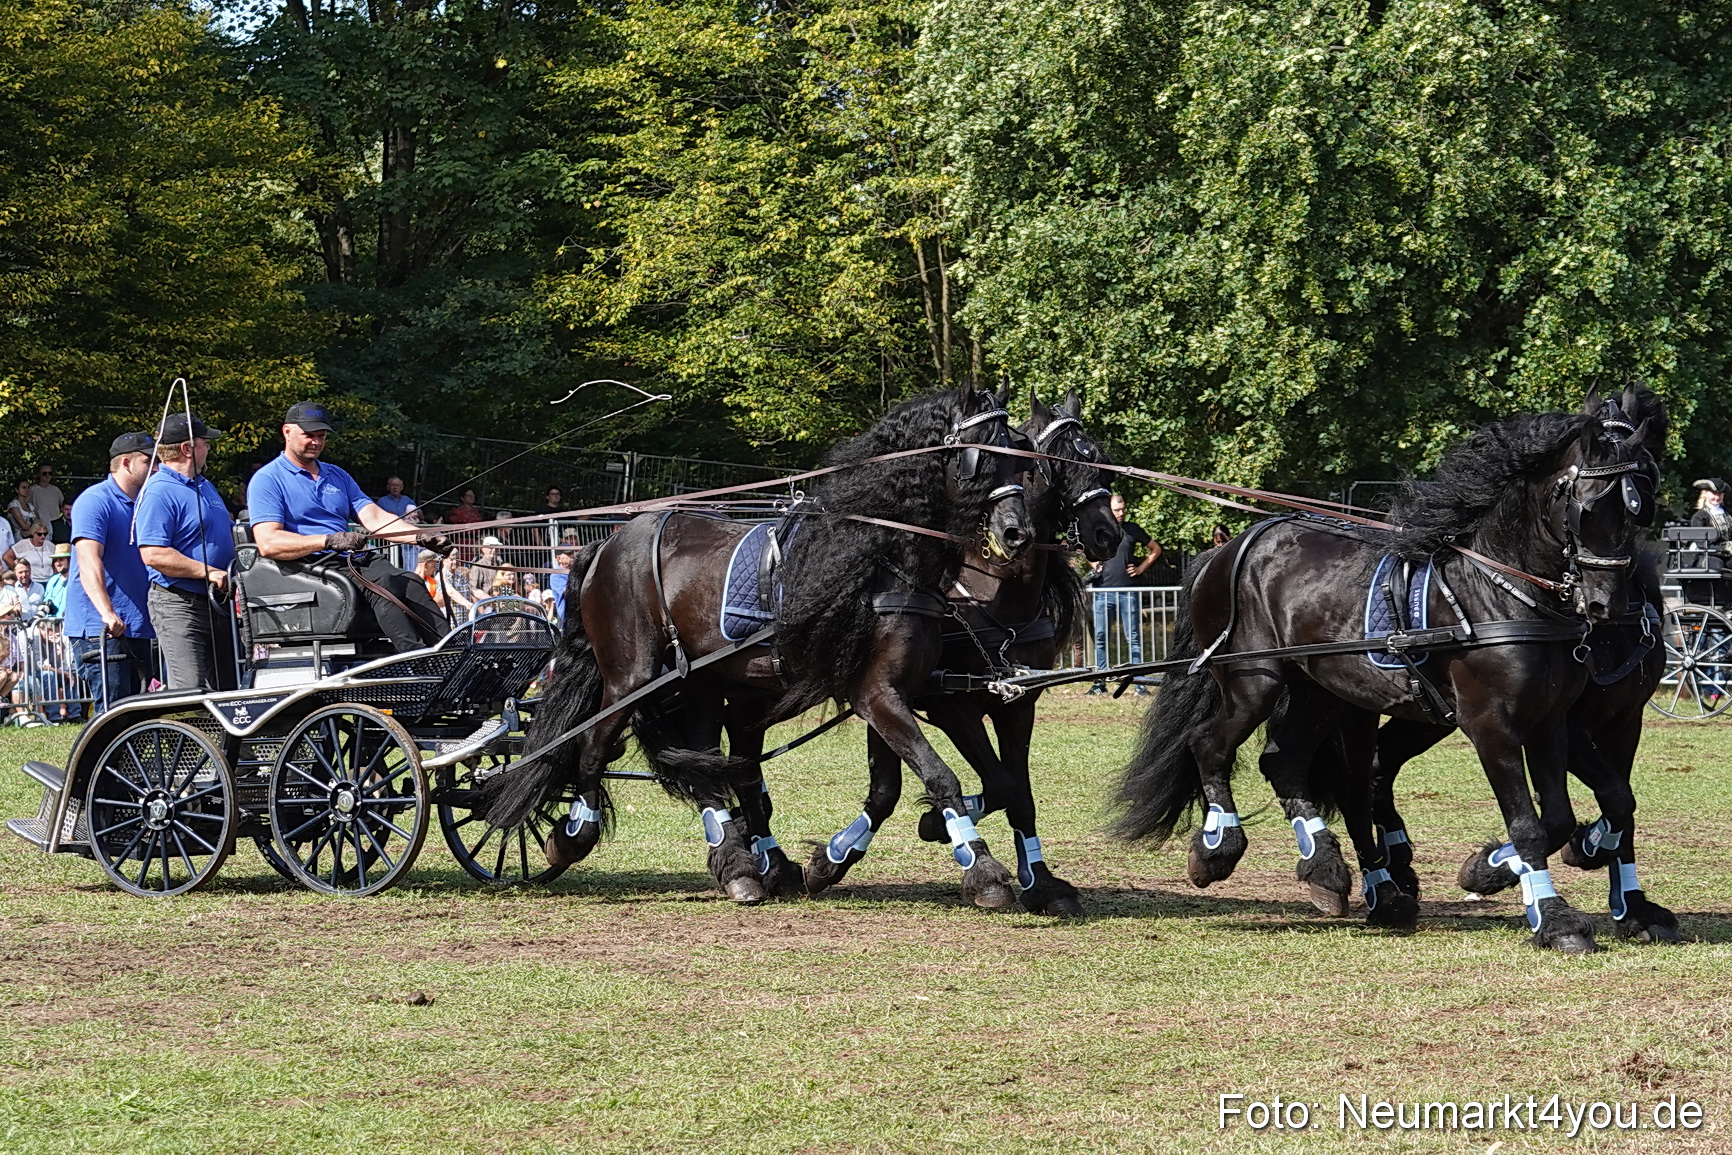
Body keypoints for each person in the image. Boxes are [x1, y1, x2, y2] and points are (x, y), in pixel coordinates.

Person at [247, 401, 451, 653]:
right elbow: (268, 542)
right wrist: (329, 540)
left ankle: (452, 652)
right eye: (309, 436)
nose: (316, 442)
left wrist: (420, 537)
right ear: (286, 432)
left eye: (321, 436)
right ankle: (413, 658)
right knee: (384, 580)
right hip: (313, 564)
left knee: (409, 580)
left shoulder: (337, 475)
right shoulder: (268, 479)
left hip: (352, 559)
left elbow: (375, 517)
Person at [136, 413, 237, 691]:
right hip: (179, 605)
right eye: (205, 443)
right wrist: (209, 571)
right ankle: (182, 734)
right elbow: (154, 553)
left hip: (217, 602)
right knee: (189, 688)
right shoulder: (158, 491)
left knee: (232, 688)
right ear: (187, 449)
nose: (209, 449)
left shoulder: (204, 486)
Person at [67, 432, 158, 711]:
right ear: (127, 463)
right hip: (103, 628)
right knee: (114, 713)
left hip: (138, 625)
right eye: (148, 462)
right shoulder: (95, 501)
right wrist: (106, 612)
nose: (156, 468)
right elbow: (88, 561)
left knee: (139, 714)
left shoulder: (146, 503)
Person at [1088, 494, 1160, 695]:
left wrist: (1140, 568)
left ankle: (1139, 683)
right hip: (1103, 591)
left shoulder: (1132, 529)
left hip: (1128, 591)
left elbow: (1155, 549)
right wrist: (1094, 565)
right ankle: (1099, 682)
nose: (1121, 513)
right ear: (1109, 510)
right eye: (1117, 509)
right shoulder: (1099, 528)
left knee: (1133, 637)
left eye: (1123, 509)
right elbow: (1084, 549)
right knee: (1101, 637)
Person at [3, 559, 46, 624]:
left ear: (30, 571)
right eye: (20, 572)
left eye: (26, 571)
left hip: (38, 626)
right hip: (20, 627)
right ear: (15, 573)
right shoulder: (11, 590)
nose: (24, 575)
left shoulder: (40, 587)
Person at [28, 465, 64, 541]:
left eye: (50, 473)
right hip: (40, 528)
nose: (47, 475)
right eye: (44, 473)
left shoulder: (56, 490)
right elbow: (25, 506)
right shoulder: (32, 490)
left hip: (56, 527)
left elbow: (64, 505)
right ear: (39, 474)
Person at [42, 543, 70, 616]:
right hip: (51, 624)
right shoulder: (52, 580)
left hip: (69, 624)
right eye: (55, 560)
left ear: (70, 560)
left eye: (61, 559)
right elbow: (46, 602)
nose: (57, 563)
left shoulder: (77, 581)